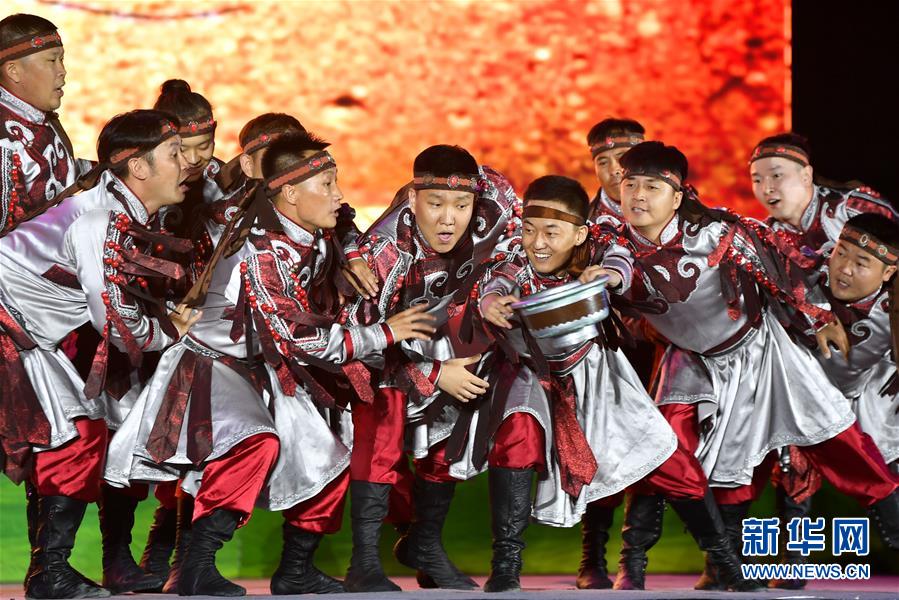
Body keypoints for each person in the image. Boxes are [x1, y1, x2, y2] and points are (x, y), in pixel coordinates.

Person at [105, 131, 436, 596]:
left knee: (326, 459)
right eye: (327, 184)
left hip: (264, 368)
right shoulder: (261, 250)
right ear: (290, 193)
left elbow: (339, 253)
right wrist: (384, 333)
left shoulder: (312, 236)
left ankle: (295, 570)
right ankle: (195, 567)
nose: (339, 195)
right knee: (251, 443)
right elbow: (297, 337)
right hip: (210, 365)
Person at [615, 140, 899, 589]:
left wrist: (820, 315)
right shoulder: (611, 241)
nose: (639, 196)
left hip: (772, 352)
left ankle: (776, 565)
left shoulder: (723, 231)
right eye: (631, 184)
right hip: (695, 357)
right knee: (668, 447)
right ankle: (643, 563)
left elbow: (781, 271)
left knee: (831, 439)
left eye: (652, 186)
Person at [475, 175, 757, 592]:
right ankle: (505, 567)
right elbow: (499, 279)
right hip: (532, 373)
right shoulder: (516, 249)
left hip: (597, 373)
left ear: (578, 233)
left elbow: (619, 261)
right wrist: (490, 301)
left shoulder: (601, 240)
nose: (538, 243)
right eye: (531, 230)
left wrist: (609, 276)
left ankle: (727, 564)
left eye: (551, 232)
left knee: (667, 458)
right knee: (517, 434)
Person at [0, 109, 200, 599]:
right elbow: (112, 319)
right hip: (7, 327)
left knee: (73, 434)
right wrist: (168, 331)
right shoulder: (100, 219)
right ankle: (49, 573)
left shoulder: (114, 209)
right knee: (75, 433)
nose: (188, 164)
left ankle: (49, 572)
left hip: (22, 334)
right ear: (138, 166)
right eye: (175, 154)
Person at [344, 144, 519, 592]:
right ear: (412, 198)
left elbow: (514, 251)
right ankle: (364, 562)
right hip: (381, 353)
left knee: (461, 413)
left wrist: (496, 292)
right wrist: (437, 373)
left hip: (448, 333)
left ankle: (424, 543)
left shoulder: (496, 202)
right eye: (435, 204)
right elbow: (362, 344)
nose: (448, 219)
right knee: (382, 419)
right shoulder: (384, 253)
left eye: (461, 206)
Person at [0, 13, 91, 236]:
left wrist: (118, 166)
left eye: (62, 59)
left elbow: (61, 175)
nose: (62, 71)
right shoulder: (4, 140)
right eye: (51, 60)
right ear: (14, 71)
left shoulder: (43, 119)